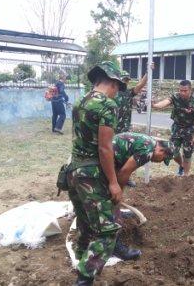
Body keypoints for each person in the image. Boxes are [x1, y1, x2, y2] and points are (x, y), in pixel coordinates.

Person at [67, 61, 126, 286]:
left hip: (74, 170)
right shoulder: (107, 105)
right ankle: (84, 279)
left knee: (86, 222)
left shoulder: (81, 101)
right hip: (91, 174)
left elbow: (78, 139)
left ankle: (81, 257)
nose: (117, 91)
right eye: (118, 86)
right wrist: (113, 182)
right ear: (111, 82)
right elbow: (104, 148)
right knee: (107, 231)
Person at [152, 80, 194, 176]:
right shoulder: (175, 96)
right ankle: (182, 165)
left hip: (189, 129)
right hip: (177, 127)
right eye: (181, 90)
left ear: (190, 90)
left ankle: (186, 176)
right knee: (173, 151)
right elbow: (165, 102)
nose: (182, 93)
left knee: (187, 154)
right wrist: (155, 105)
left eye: (185, 90)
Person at [115, 63, 154, 134]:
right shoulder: (112, 92)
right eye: (124, 80)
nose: (126, 82)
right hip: (113, 128)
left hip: (125, 128)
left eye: (127, 80)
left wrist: (148, 72)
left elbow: (140, 85)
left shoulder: (129, 92)